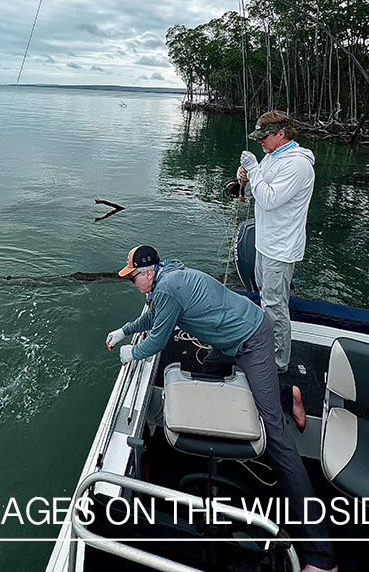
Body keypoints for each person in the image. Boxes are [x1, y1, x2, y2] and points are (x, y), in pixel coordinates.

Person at [106, 245, 336, 572]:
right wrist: (124, 331)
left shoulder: (168, 287)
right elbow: (152, 316)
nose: (132, 283)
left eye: (132, 278)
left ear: (147, 273)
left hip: (251, 338)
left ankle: (322, 556)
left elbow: (156, 341)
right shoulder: (165, 278)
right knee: (209, 371)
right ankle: (288, 398)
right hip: (229, 340)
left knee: (279, 442)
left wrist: (131, 352)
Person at [238, 111, 315, 374]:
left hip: (281, 248)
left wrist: (254, 168)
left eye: (264, 136)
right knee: (265, 298)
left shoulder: (297, 164)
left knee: (275, 305)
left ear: (281, 134)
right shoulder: (272, 157)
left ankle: (278, 362)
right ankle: (265, 347)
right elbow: (258, 193)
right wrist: (245, 178)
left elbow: (270, 199)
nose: (259, 142)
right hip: (265, 242)